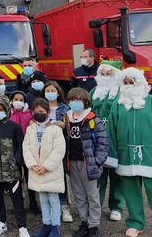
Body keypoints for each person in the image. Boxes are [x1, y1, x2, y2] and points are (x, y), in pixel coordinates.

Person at [105, 68, 152, 237]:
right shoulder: (118, 104)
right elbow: (111, 132)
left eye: (132, 82)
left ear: (141, 83)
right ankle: (136, 223)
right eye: (126, 82)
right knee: (131, 193)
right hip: (126, 156)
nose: (129, 85)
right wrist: (112, 156)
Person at [65, 88, 108, 237]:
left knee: (92, 195)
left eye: (78, 100)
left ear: (85, 101)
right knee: (79, 195)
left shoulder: (92, 119)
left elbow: (103, 142)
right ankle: (84, 222)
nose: (75, 103)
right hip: (72, 162)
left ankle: (93, 225)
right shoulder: (67, 118)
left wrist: (97, 161)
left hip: (88, 163)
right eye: (72, 100)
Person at [0, 95, 29, 237]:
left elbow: (21, 146)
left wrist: (16, 160)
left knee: (17, 199)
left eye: (1, 109)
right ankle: (1, 222)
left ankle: (22, 226)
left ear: (7, 110)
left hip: (12, 171)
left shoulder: (14, 127)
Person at [23, 98, 66, 237]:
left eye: (42, 111)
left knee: (53, 199)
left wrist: (46, 167)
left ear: (48, 112)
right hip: (37, 170)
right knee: (43, 199)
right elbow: (26, 148)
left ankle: (55, 227)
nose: (38, 114)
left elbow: (59, 150)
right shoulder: (30, 129)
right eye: (36, 112)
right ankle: (45, 225)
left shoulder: (55, 129)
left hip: (51, 171)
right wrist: (33, 165)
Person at [90, 61, 124, 221]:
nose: (104, 77)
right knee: (99, 173)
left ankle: (116, 206)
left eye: (108, 74)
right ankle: (96, 204)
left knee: (117, 174)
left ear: (115, 74)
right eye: (102, 74)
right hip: (97, 138)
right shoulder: (93, 92)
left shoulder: (122, 92)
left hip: (116, 137)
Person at [41, 81, 72, 222]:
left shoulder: (65, 108)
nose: (50, 93)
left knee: (60, 175)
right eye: (47, 91)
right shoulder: (40, 107)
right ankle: (49, 206)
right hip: (43, 146)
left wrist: (62, 124)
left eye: (53, 90)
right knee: (46, 174)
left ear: (58, 92)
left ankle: (64, 206)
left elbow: (71, 126)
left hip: (61, 146)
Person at [10, 90, 39, 214]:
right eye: (16, 99)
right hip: (13, 150)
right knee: (16, 178)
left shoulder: (29, 115)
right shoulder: (9, 115)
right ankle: (18, 204)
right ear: (11, 101)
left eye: (21, 100)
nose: (18, 102)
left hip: (28, 150)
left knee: (30, 178)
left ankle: (33, 203)